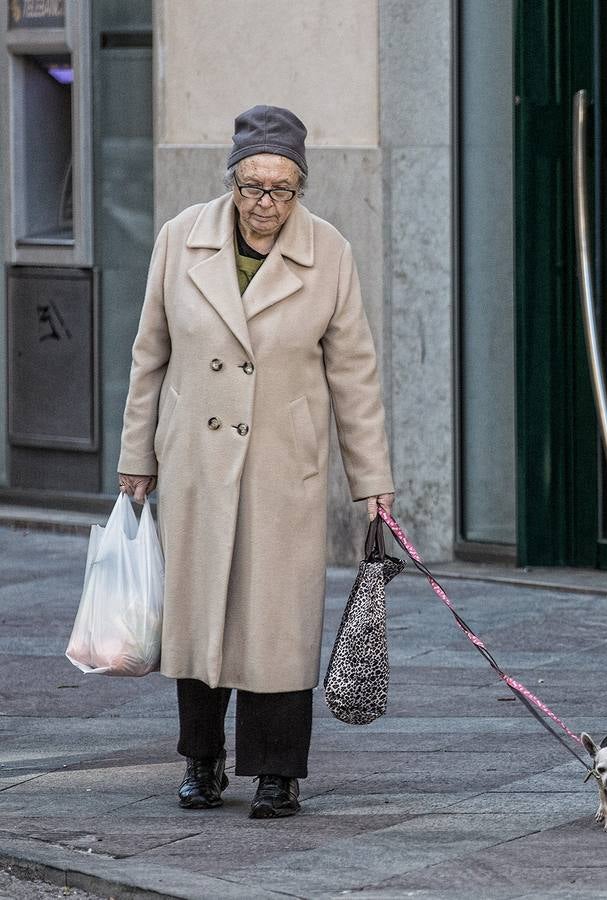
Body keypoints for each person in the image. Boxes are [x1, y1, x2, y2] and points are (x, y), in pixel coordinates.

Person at [117, 105, 395, 820]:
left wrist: (372, 482)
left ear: (301, 188)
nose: (264, 204)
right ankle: (202, 762)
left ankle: (277, 774)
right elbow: (150, 355)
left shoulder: (328, 251)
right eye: (251, 187)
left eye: (281, 189)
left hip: (283, 464)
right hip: (195, 462)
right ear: (231, 182)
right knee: (200, 612)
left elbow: (354, 373)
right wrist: (136, 454)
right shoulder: (181, 238)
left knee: (277, 621)